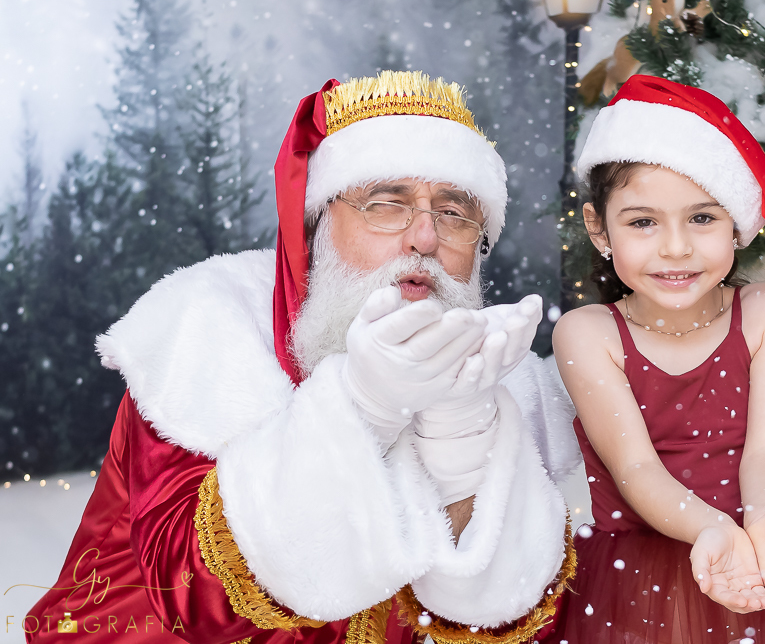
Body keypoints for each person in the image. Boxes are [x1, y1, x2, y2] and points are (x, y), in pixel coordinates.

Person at [25, 70, 581, 644]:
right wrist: (363, 407)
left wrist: (462, 436)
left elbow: (509, 624)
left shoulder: (505, 383)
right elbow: (194, 598)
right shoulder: (208, 338)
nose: (424, 237)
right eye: (386, 203)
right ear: (315, 229)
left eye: (454, 212)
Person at [538, 75, 765, 644]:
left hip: (756, 558)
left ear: (737, 223)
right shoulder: (590, 334)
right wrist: (712, 531)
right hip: (633, 583)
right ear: (597, 228)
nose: (675, 247)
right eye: (642, 221)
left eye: (702, 218)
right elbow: (636, 469)